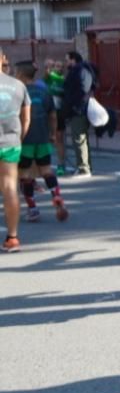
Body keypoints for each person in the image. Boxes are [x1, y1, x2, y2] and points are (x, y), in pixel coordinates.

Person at [14, 61, 68, 223]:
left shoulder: (18, 93)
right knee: (46, 171)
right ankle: (57, 198)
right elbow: (52, 116)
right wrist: (52, 134)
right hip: (43, 138)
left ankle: (33, 209)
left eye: (16, 73)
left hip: (25, 139)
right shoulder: (44, 92)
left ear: (21, 75)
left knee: (25, 175)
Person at [0, 48, 31, 252]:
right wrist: (18, 139)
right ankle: (12, 238)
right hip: (10, 142)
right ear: (2, 59)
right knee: (10, 187)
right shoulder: (19, 85)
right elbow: (26, 119)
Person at [62, 51, 96, 177]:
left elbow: (80, 90)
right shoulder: (82, 70)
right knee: (82, 139)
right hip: (80, 109)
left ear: (73, 60)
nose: (66, 63)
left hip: (79, 110)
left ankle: (83, 168)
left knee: (79, 139)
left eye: (67, 60)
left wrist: (72, 103)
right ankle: (86, 166)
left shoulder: (79, 71)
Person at [43, 59, 67, 175]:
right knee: (47, 139)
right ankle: (44, 165)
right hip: (48, 112)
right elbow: (46, 74)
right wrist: (48, 66)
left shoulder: (64, 81)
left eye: (61, 66)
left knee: (59, 139)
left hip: (59, 113)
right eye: (57, 66)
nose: (59, 68)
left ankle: (61, 165)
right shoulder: (50, 77)